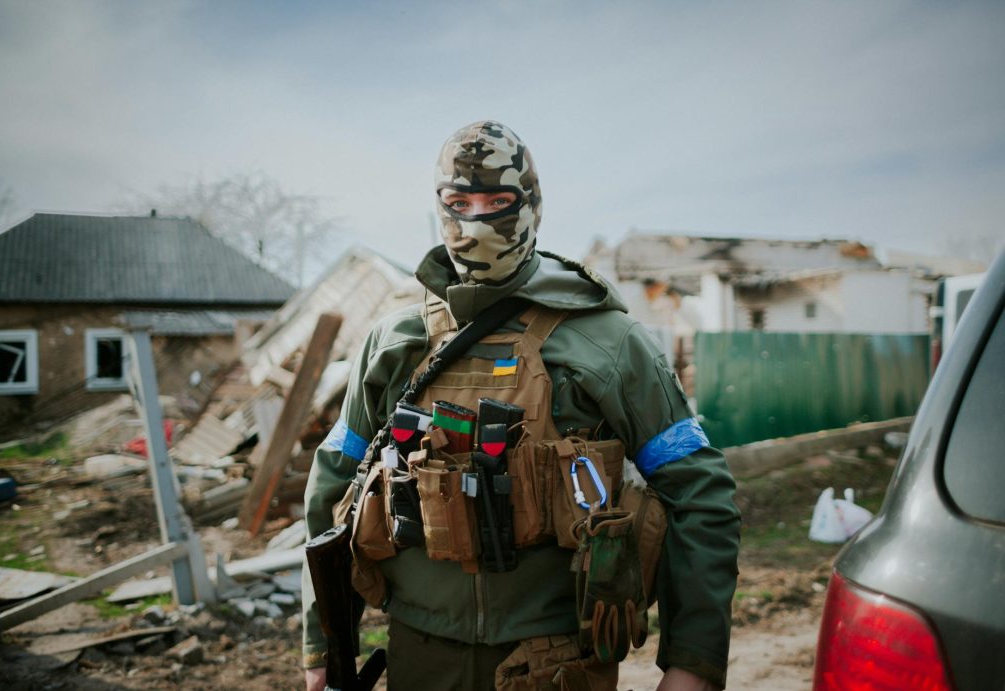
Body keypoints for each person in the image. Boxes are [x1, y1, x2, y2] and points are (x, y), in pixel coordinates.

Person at [302, 121, 740, 691]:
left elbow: (699, 490)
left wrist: (692, 663)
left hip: (558, 659)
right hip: (418, 651)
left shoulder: (607, 342)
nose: (477, 220)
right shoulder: (396, 342)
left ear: (531, 205)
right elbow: (333, 486)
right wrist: (322, 647)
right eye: (459, 201)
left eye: (498, 201)